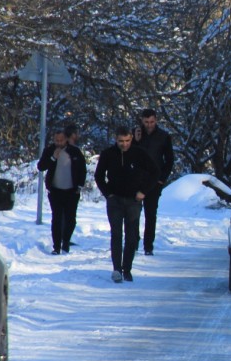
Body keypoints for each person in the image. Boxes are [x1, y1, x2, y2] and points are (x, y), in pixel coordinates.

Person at [94, 126, 158, 283]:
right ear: (116, 140)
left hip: (133, 200)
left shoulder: (139, 153)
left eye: (127, 141)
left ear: (131, 139)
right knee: (116, 234)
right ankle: (117, 269)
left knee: (131, 236)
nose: (124, 144)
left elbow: (155, 172)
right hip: (115, 200)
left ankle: (127, 268)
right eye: (121, 141)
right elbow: (99, 175)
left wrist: (143, 191)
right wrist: (107, 193)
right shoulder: (108, 154)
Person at [36, 124, 87, 254]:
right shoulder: (49, 150)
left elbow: (82, 169)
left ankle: (66, 241)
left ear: (66, 140)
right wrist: (53, 158)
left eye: (61, 140)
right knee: (56, 218)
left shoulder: (74, 152)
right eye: (56, 140)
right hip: (55, 191)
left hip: (72, 191)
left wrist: (80, 185)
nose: (59, 143)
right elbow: (41, 166)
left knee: (71, 219)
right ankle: (56, 246)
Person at [134, 108, 174, 255]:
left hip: (154, 182)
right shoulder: (135, 134)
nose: (149, 125)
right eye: (146, 122)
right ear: (142, 121)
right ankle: (133, 244)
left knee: (150, 216)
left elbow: (169, 161)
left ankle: (148, 246)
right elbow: (130, 154)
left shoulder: (163, 136)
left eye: (151, 122)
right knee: (133, 215)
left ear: (156, 120)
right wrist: (136, 142)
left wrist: (161, 180)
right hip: (136, 181)